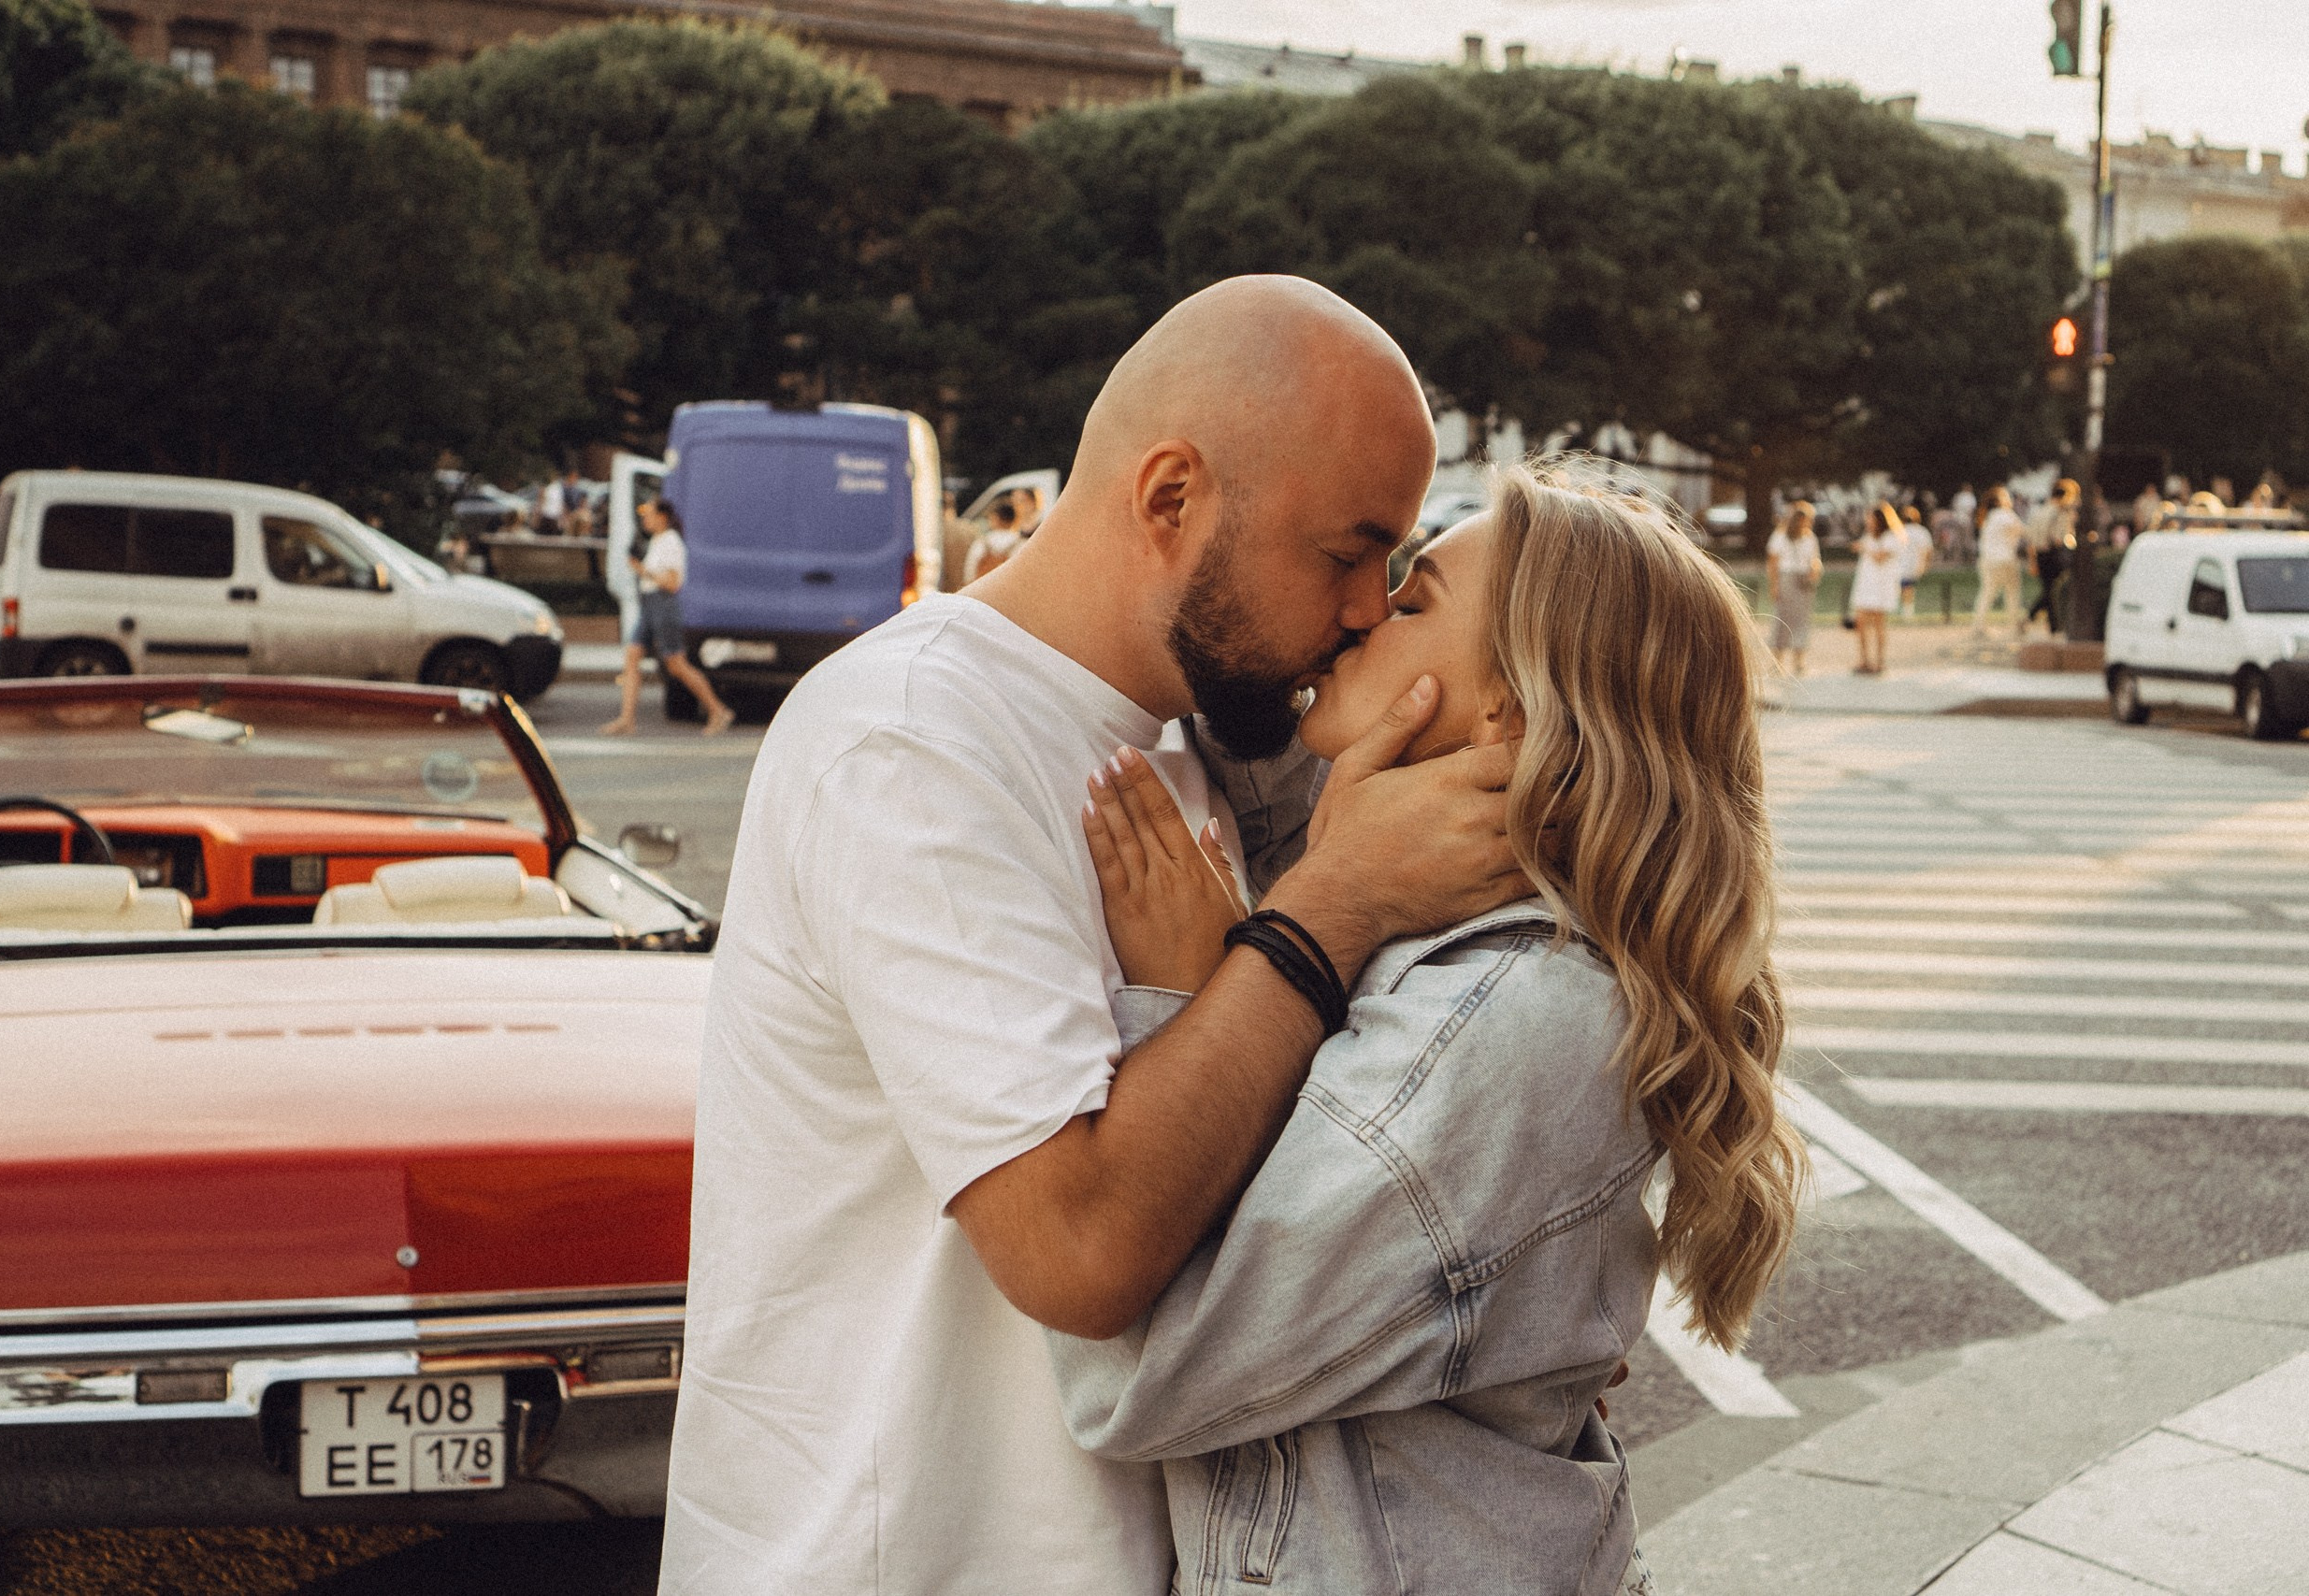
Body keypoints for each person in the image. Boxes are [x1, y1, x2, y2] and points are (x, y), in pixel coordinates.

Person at [659, 277, 1530, 1596]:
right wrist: (1331, 907)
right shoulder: (913, 739)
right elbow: (1078, 1249)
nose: (1366, 607)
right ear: (1171, 496)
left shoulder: (1191, 738)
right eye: (1343, 553)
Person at [1049, 465, 1801, 1596]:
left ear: (1504, 709)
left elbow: (1143, 1375)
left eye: (1411, 602)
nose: (1361, 615)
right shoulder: (1454, 945)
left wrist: (1191, 997)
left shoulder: (1504, 1026)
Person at [599, 496, 733, 737]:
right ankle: (627, 719)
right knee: (632, 656)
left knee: (676, 664)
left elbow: (673, 583)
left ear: (662, 517)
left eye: (649, 514)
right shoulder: (657, 541)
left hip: (664, 605)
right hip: (649, 605)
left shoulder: (672, 542)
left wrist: (642, 570)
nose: (645, 519)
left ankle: (718, 710)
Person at [1765, 498, 1822, 676]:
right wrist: (1775, 585)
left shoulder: (1810, 538)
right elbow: (1773, 562)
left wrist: (1815, 569)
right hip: (1787, 578)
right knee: (1782, 619)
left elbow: (1815, 559)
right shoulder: (1780, 536)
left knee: (1801, 620)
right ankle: (1777, 661)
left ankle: (1799, 660)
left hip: (1804, 579)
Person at [1849, 503, 1904, 673]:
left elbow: (1880, 557)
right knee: (1861, 623)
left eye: (1870, 518)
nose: (1868, 521)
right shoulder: (1869, 536)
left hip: (1881, 586)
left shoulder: (1891, 537)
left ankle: (1880, 661)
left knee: (1879, 624)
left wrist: (1864, 547)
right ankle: (1864, 660)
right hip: (1866, 584)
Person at [1971, 485, 2027, 641]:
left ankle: (1979, 626)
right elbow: (2023, 532)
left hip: (1987, 560)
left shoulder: (1987, 518)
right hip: (2006, 558)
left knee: (1987, 592)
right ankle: (2014, 626)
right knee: (2012, 592)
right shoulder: (2006, 515)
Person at [2027, 478, 2078, 635]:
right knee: (2054, 590)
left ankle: (2049, 624)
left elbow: (2031, 540)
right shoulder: (2060, 513)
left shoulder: (2038, 511)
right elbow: (2059, 538)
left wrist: (2032, 561)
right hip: (2054, 554)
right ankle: (2046, 622)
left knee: (2048, 589)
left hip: (2040, 554)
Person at [963, 496, 1026, 584]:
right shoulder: (1023, 544)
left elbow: (969, 577)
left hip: (984, 590)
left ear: (994, 518)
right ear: (1016, 519)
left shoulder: (981, 543)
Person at [1897, 503, 1934, 617]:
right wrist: (1925, 565)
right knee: (1907, 588)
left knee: (1905, 588)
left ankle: (1906, 612)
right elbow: (1927, 550)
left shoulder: (1899, 531)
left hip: (1903, 565)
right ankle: (1906, 611)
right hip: (1912, 564)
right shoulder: (1921, 531)